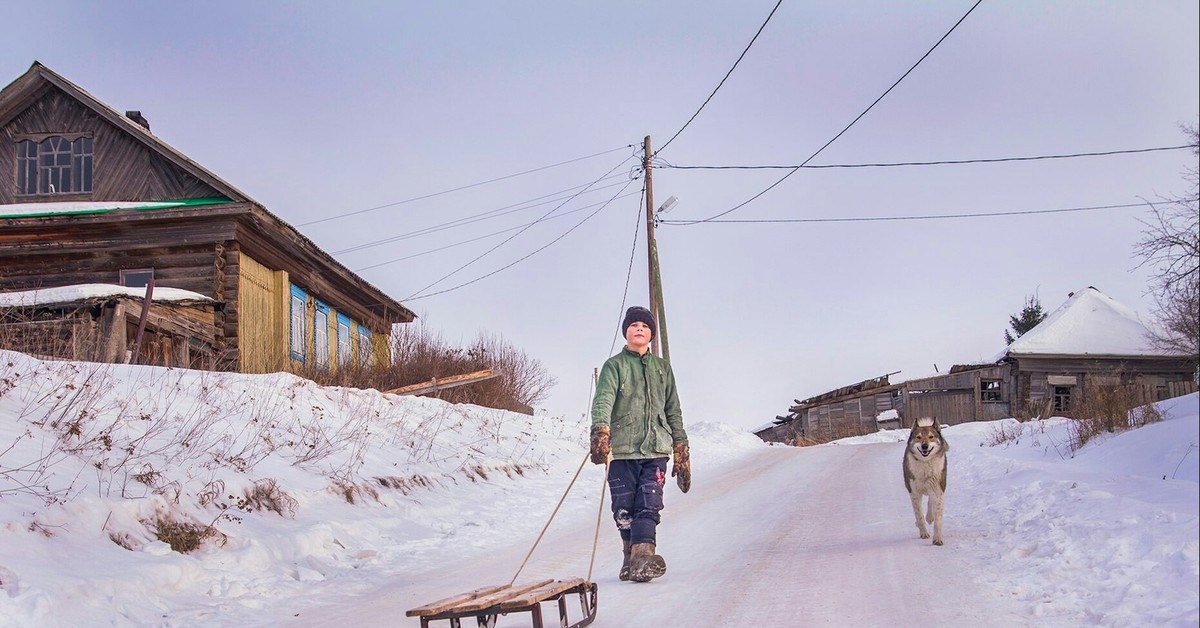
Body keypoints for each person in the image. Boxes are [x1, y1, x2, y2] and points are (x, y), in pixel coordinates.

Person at [589, 306, 690, 583]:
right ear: (626, 332)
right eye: (634, 325)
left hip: (656, 448)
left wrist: (681, 447)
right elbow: (603, 400)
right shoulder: (615, 366)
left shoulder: (662, 369)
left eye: (645, 327)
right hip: (622, 449)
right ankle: (629, 558)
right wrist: (601, 429)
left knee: (649, 504)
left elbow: (673, 409)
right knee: (624, 509)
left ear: (651, 334)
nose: (639, 329)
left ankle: (643, 556)